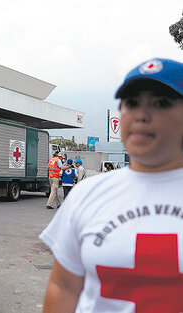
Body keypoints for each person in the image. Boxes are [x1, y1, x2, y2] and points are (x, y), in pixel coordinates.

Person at [39, 57, 183, 313]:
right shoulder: (87, 194)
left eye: (162, 103)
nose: (141, 115)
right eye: (132, 103)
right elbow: (64, 287)